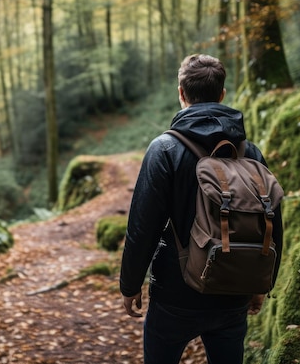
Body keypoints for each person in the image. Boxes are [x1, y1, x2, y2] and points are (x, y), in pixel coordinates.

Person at [119, 54, 283, 364]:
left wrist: (130, 284)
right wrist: (263, 283)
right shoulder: (249, 152)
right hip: (234, 289)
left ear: (180, 92)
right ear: (222, 94)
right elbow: (273, 222)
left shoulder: (164, 149)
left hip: (175, 292)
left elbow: (143, 225)